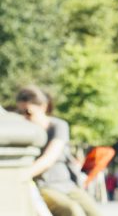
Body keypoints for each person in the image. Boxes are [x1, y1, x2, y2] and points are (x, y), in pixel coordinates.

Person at [16, 86, 101, 216]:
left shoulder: (58, 126)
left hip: (66, 183)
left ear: (43, 107)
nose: (24, 117)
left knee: (94, 212)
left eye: (28, 112)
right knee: (73, 211)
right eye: (20, 113)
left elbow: (49, 158)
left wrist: (21, 175)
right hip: (44, 186)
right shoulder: (25, 130)